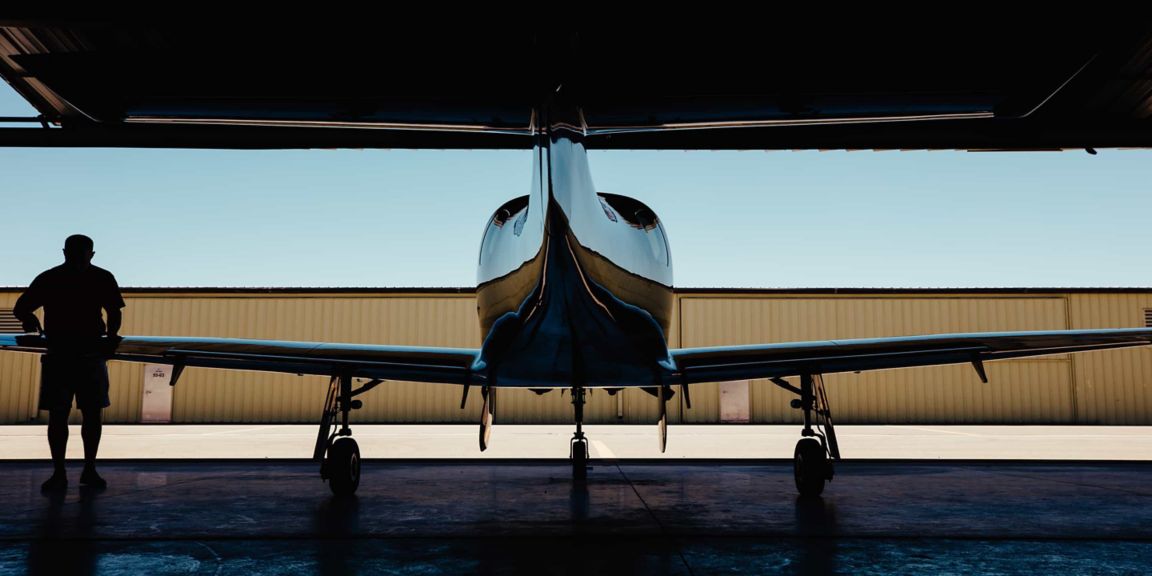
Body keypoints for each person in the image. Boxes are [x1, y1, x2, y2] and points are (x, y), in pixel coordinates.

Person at [13, 234, 125, 491]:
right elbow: (22, 308)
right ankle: (69, 471)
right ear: (66, 252)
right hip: (68, 355)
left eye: (80, 252)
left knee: (83, 414)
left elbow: (114, 312)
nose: (77, 257)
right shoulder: (87, 277)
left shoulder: (55, 278)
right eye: (74, 252)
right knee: (66, 415)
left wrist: (110, 337)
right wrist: (29, 319)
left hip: (75, 355)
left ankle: (79, 470)